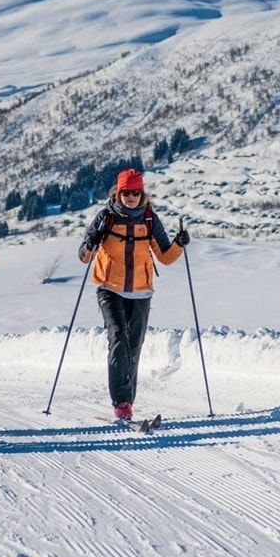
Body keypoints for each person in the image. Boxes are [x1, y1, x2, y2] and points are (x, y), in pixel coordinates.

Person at [78, 168, 189, 422]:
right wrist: (92, 241)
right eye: (126, 192)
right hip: (110, 289)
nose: (130, 197)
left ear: (142, 194)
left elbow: (165, 256)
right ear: (118, 193)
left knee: (134, 347)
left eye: (135, 192)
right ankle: (122, 403)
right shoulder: (106, 217)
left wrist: (179, 244)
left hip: (141, 292)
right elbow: (84, 257)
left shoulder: (149, 219)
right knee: (118, 339)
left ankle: (128, 400)